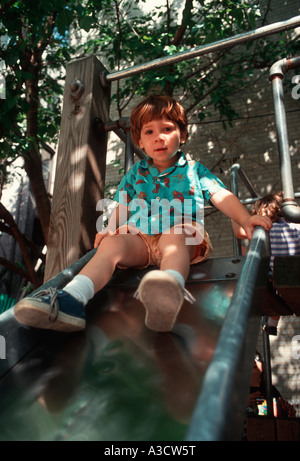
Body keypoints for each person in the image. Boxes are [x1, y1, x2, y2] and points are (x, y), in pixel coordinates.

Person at [14, 95, 272, 333]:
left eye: (167, 129)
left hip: (183, 238)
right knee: (112, 244)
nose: (158, 137)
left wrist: (244, 218)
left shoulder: (195, 171)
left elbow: (221, 196)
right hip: (142, 240)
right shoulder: (135, 174)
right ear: (140, 142)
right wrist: (109, 229)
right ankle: (72, 299)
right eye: (149, 132)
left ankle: (169, 290)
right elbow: (122, 205)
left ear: (181, 135)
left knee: (173, 236)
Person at [233, 193, 300, 334]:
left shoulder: (263, 229)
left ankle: (272, 322)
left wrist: (233, 215)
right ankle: (272, 322)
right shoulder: (296, 226)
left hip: (273, 278)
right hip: (296, 277)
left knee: (267, 288)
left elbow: (238, 232)